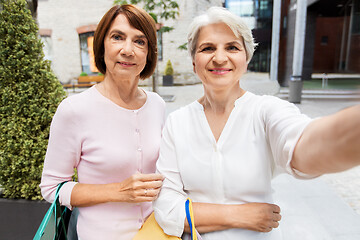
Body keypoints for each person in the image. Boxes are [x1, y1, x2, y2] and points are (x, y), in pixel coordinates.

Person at [153, 6, 360, 240]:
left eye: (232, 47)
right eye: (207, 48)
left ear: (246, 58)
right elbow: (166, 209)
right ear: (193, 62)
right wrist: (241, 215)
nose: (220, 58)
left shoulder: (266, 111)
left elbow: (304, 144)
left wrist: (349, 131)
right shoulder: (177, 122)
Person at [40, 5, 165, 240]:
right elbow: (51, 188)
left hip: (157, 233)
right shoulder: (74, 110)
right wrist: (118, 191)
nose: (128, 50)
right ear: (102, 45)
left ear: (149, 53)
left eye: (139, 41)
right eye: (117, 37)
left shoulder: (157, 105)